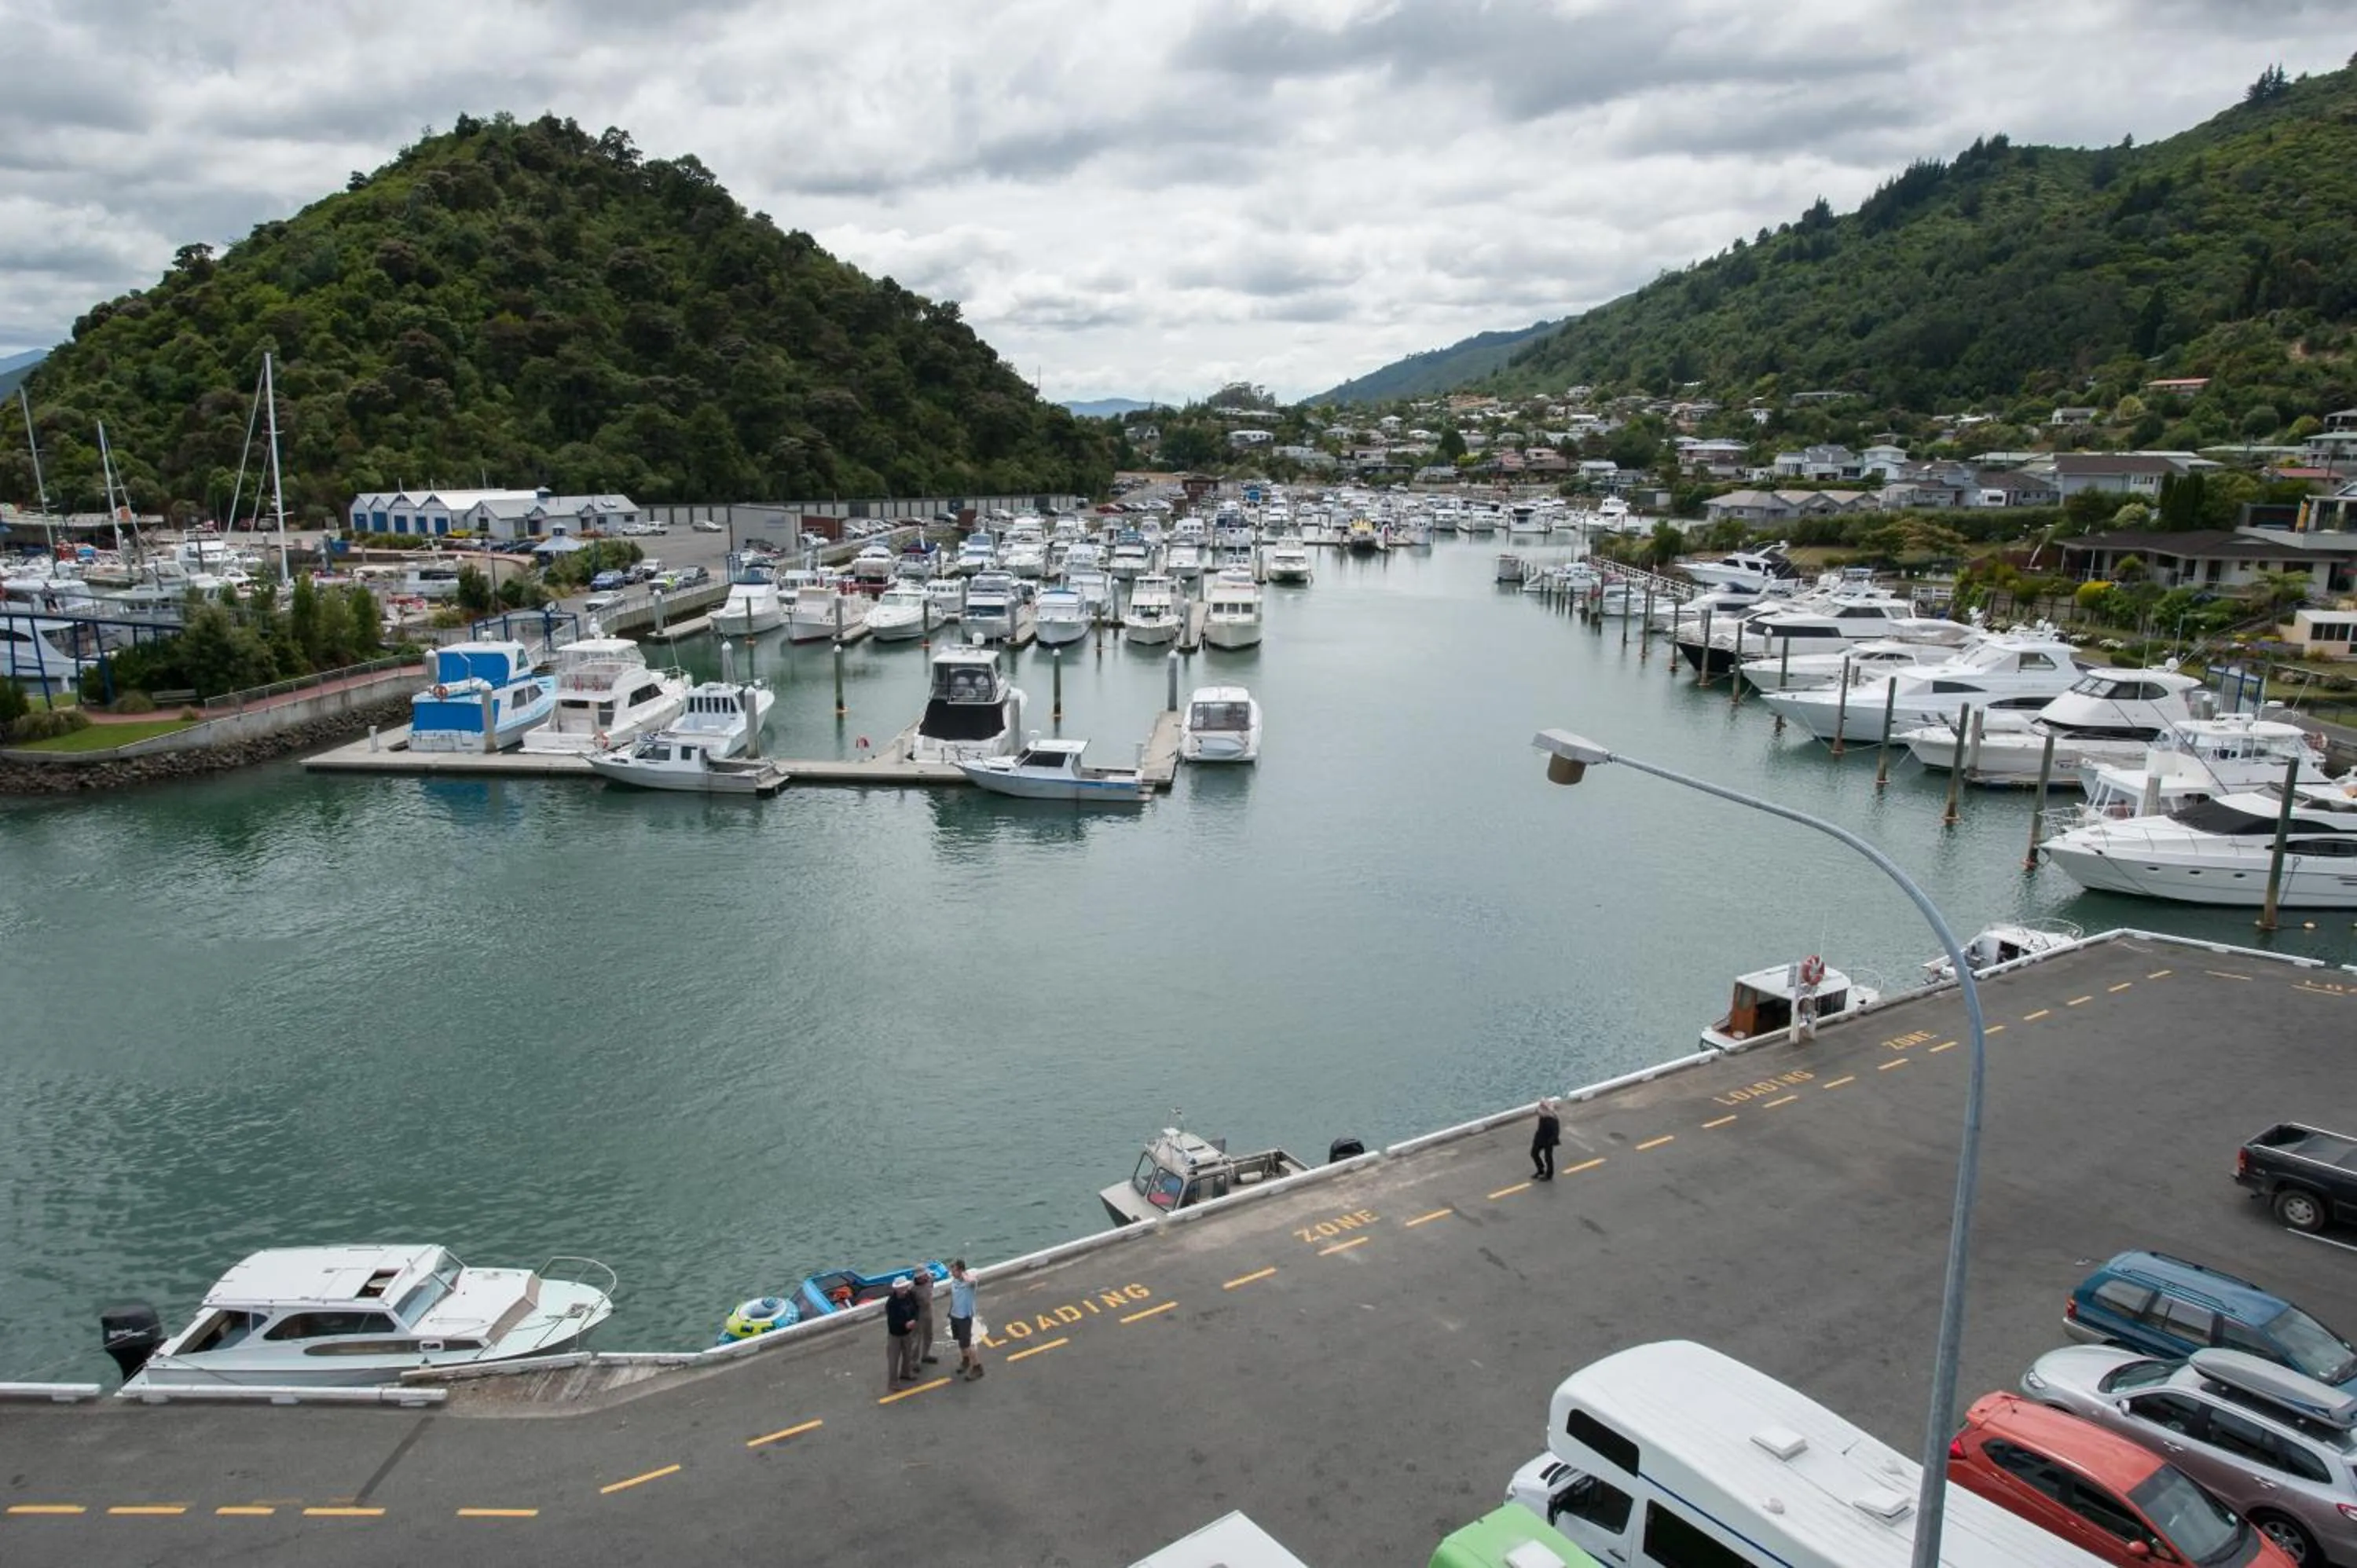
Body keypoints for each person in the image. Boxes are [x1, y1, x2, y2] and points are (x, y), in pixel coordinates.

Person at [948, 1258, 984, 1381]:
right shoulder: (954, 1281)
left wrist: (966, 1277)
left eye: (954, 1270)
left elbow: (974, 1281)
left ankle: (977, 1367)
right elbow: (954, 1297)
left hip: (964, 1318)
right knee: (960, 1342)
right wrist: (950, 1312)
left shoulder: (969, 1284)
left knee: (967, 1345)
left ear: (961, 1271)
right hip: (955, 1316)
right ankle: (965, 1361)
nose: (952, 1273)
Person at [884, 1276, 922, 1387]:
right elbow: (892, 1320)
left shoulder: (911, 1295)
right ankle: (893, 1382)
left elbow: (917, 1308)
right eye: (902, 1288)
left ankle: (906, 1372)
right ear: (896, 1289)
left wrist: (915, 1319)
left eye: (905, 1287)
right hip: (895, 1335)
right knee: (893, 1359)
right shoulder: (891, 1303)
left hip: (908, 1333)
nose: (904, 1290)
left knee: (908, 1354)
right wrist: (905, 1324)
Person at [911, 1267, 940, 1366]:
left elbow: (932, 1282)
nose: (925, 1277)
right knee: (916, 1339)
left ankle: (925, 1355)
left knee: (929, 1334)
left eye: (925, 1275)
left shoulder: (929, 1280)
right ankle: (914, 1361)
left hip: (928, 1311)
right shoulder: (912, 1289)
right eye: (922, 1276)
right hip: (918, 1314)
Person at [1531, 1097, 1561, 1181]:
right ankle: (1541, 1170)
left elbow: (1556, 1132)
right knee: (1534, 1153)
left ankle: (1549, 1175)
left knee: (1548, 1157)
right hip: (1540, 1137)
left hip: (1548, 1140)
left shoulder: (1553, 1118)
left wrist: (1551, 1141)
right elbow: (1537, 1111)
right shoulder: (1542, 1113)